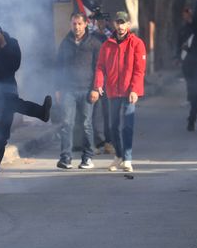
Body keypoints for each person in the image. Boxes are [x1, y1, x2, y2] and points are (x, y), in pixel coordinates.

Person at [0, 24, 52, 193]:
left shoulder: (11, 43)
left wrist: (4, 46)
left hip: (7, 94)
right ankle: (40, 112)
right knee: (10, 104)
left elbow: (14, 64)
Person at [91, 11, 146, 173]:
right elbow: (100, 67)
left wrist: (135, 89)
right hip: (113, 90)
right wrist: (98, 84)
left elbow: (139, 69)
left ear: (128, 25)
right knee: (113, 126)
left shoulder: (136, 43)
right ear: (114, 24)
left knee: (127, 126)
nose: (120, 26)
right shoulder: (107, 45)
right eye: (118, 23)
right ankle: (119, 156)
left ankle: (127, 159)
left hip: (129, 91)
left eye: (123, 23)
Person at [55, 13, 102, 170]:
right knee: (66, 123)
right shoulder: (65, 43)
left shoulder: (94, 43)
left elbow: (100, 68)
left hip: (88, 90)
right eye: (74, 24)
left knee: (86, 124)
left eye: (79, 24)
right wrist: (58, 88)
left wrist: (96, 88)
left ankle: (87, 157)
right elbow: (59, 67)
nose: (76, 27)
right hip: (68, 90)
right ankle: (65, 158)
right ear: (71, 24)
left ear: (85, 24)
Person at [89, 15, 115, 155]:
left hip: (108, 79)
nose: (100, 23)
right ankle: (94, 142)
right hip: (93, 79)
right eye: (97, 21)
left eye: (102, 20)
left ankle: (108, 142)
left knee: (107, 113)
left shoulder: (110, 37)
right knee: (92, 113)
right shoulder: (91, 37)